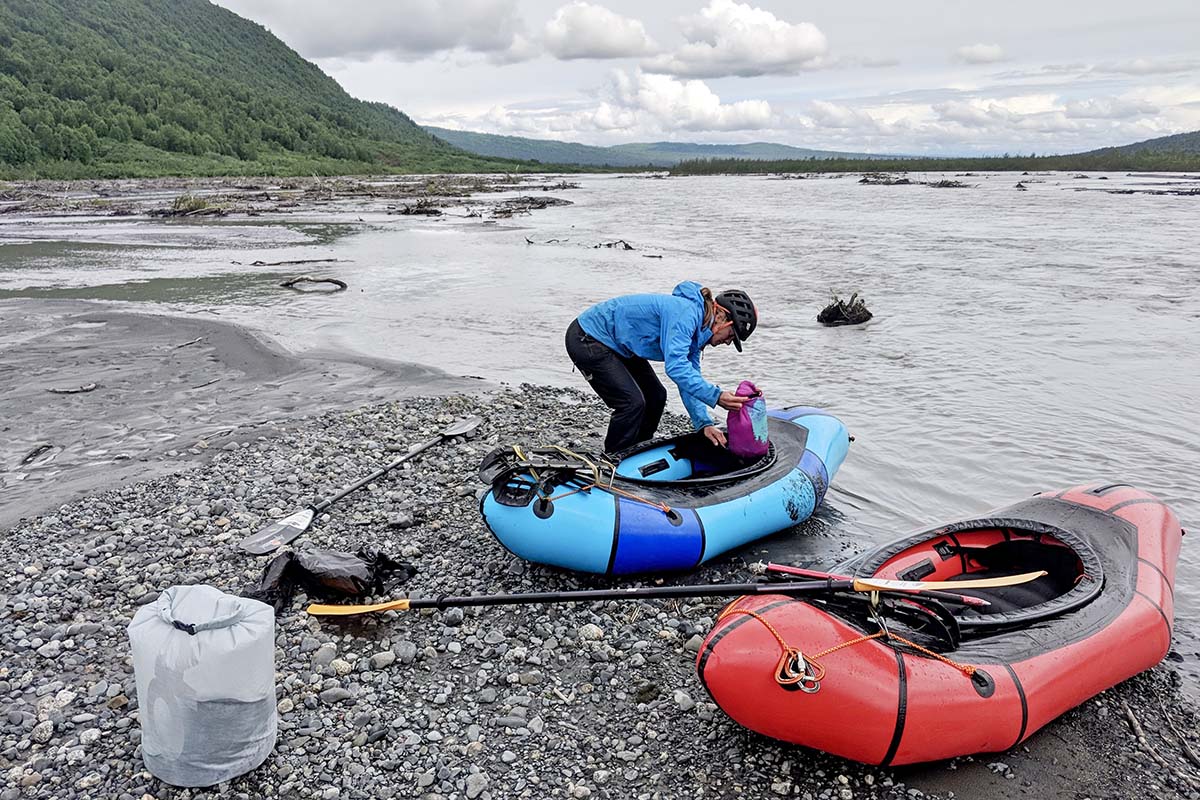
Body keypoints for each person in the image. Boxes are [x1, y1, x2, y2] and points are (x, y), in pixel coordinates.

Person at [565, 281, 758, 455]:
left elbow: (688, 379)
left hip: (618, 345)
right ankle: (613, 460)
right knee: (631, 403)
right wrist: (716, 396)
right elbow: (676, 367)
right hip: (587, 337)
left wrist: (704, 423)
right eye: (731, 335)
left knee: (656, 397)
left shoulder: (698, 331)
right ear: (723, 318)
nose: (727, 342)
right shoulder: (686, 315)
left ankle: (636, 452)